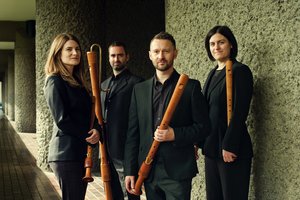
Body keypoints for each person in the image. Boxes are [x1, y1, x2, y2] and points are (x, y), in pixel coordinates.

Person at [124, 32, 210, 200]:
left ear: (175, 53)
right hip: (148, 170)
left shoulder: (190, 87)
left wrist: (175, 134)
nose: (161, 56)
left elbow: (204, 127)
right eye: (156, 51)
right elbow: (132, 134)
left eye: (166, 51)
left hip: (177, 171)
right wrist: (130, 170)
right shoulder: (139, 90)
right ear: (150, 55)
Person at [44, 33, 100, 200]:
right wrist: (87, 134)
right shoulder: (54, 81)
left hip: (78, 153)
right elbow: (62, 120)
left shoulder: (78, 82)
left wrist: (96, 130)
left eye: (77, 49)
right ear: (58, 53)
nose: (75, 53)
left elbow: (88, 115)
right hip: (66, 154)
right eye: (69, 49)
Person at [202, 25, 253, 200]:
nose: (216, 47)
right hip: (211, 149)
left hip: (231, 149)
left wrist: (229, 144)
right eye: (212, 44)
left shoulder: (240, 71)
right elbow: (206, 111)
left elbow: (240, 111)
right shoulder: (212, 74)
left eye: (221, 42)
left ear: (231, 44)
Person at [100, 41, 143, 200]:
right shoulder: (104, 84)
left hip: (125, 149)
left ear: (127, 57)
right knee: (112, 194)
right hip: (106, 149)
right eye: (113, 55)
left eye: (120, 55)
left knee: (129, 194)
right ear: (109, 59)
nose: (116, 59)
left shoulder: (137, 83)